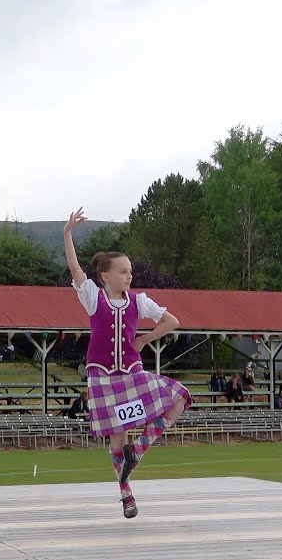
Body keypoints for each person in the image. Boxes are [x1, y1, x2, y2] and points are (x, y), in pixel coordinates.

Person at [64, 207, 191, 519]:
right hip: (102, 377)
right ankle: (126, 494)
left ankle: (141, 447)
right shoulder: (93, 297)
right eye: (123, 271)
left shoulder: (139, 301)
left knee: (179, 398)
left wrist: (146, 339)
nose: (129, 275)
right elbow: (76, 270)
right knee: (117, 436)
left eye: (130, 271)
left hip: (132, 372)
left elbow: (172, 320)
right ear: (106, 276)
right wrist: (67, 233)